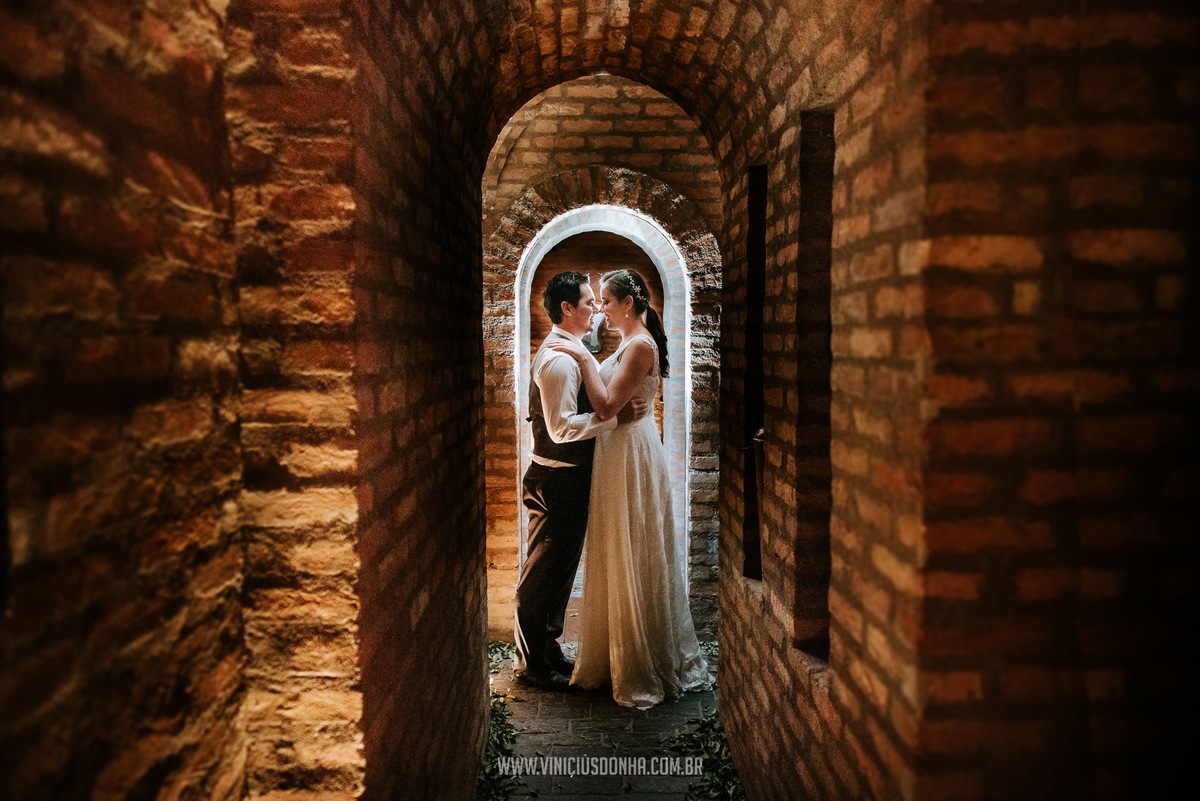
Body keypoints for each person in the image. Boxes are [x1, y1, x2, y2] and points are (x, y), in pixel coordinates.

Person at [548, 268, 710, 709]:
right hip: (614, 448)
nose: (599, 307)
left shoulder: (640, 346)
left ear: (628, 302)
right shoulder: (627, 342)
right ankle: (611, 653)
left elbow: (605, 405)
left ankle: (642, 658)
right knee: (615, 543)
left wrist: (581, 358)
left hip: (630, 453)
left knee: (633, 543)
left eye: (606, 299)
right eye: (595, 300)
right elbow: (608, 406)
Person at [514, 271, 648, 690]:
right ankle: (534, 665)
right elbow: (560, 429)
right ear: (567, 308)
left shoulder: (573, 351)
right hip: (556, 481)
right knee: (543, 575)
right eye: (589, 302)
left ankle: (548, 653)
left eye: (597, 301)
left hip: (568, 480)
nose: (595, 309)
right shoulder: (558, 360)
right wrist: (612, 423)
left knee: (559, 571)